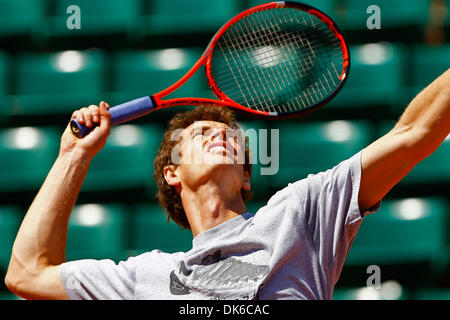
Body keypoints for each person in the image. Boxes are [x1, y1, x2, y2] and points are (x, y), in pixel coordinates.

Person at [4, 69, 449, 300]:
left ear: (247, 177)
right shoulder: (146, 276)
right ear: (172, 173)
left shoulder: (301, 212)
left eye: (232, 139)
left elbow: (414, 134)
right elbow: (26, 273)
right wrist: (73, 156)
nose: (221, 135)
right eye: (200, 135)